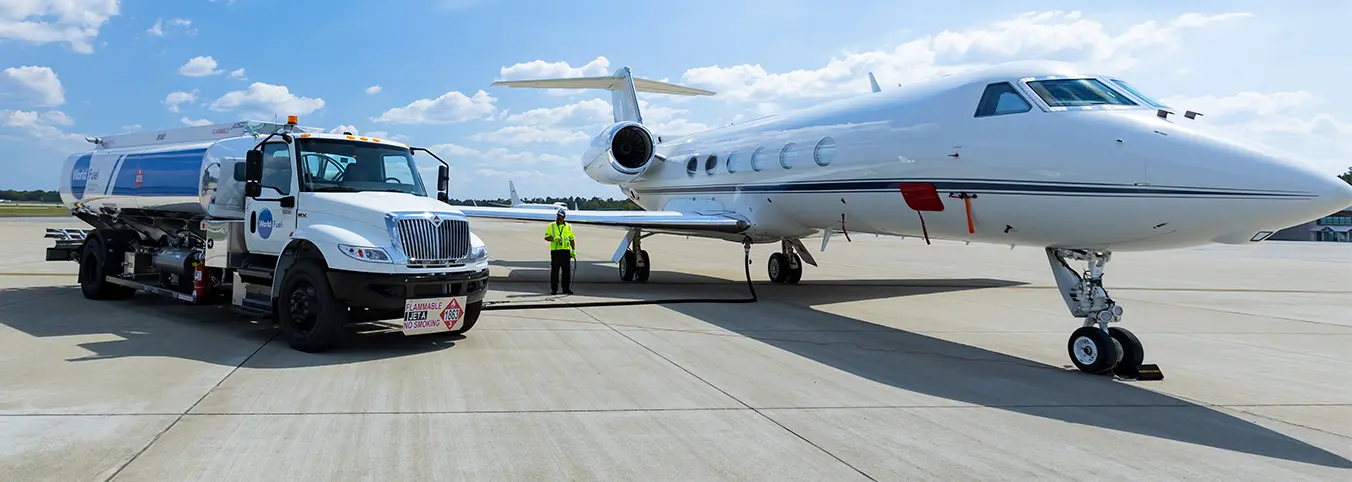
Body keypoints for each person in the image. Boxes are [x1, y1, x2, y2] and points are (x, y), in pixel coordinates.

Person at [544, 208, 576, 295]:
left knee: (566, 272)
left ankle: (566, 289)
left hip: (566, 252)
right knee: (555, 272)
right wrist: (554, 239)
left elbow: (572, 239)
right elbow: (546, 237)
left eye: (561, 216)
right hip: (556, 252)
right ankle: (554, 289)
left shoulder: (568, 226)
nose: (559, 217)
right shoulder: (551, 226)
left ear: (564, 217)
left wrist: (573, 250)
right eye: (558, 216)